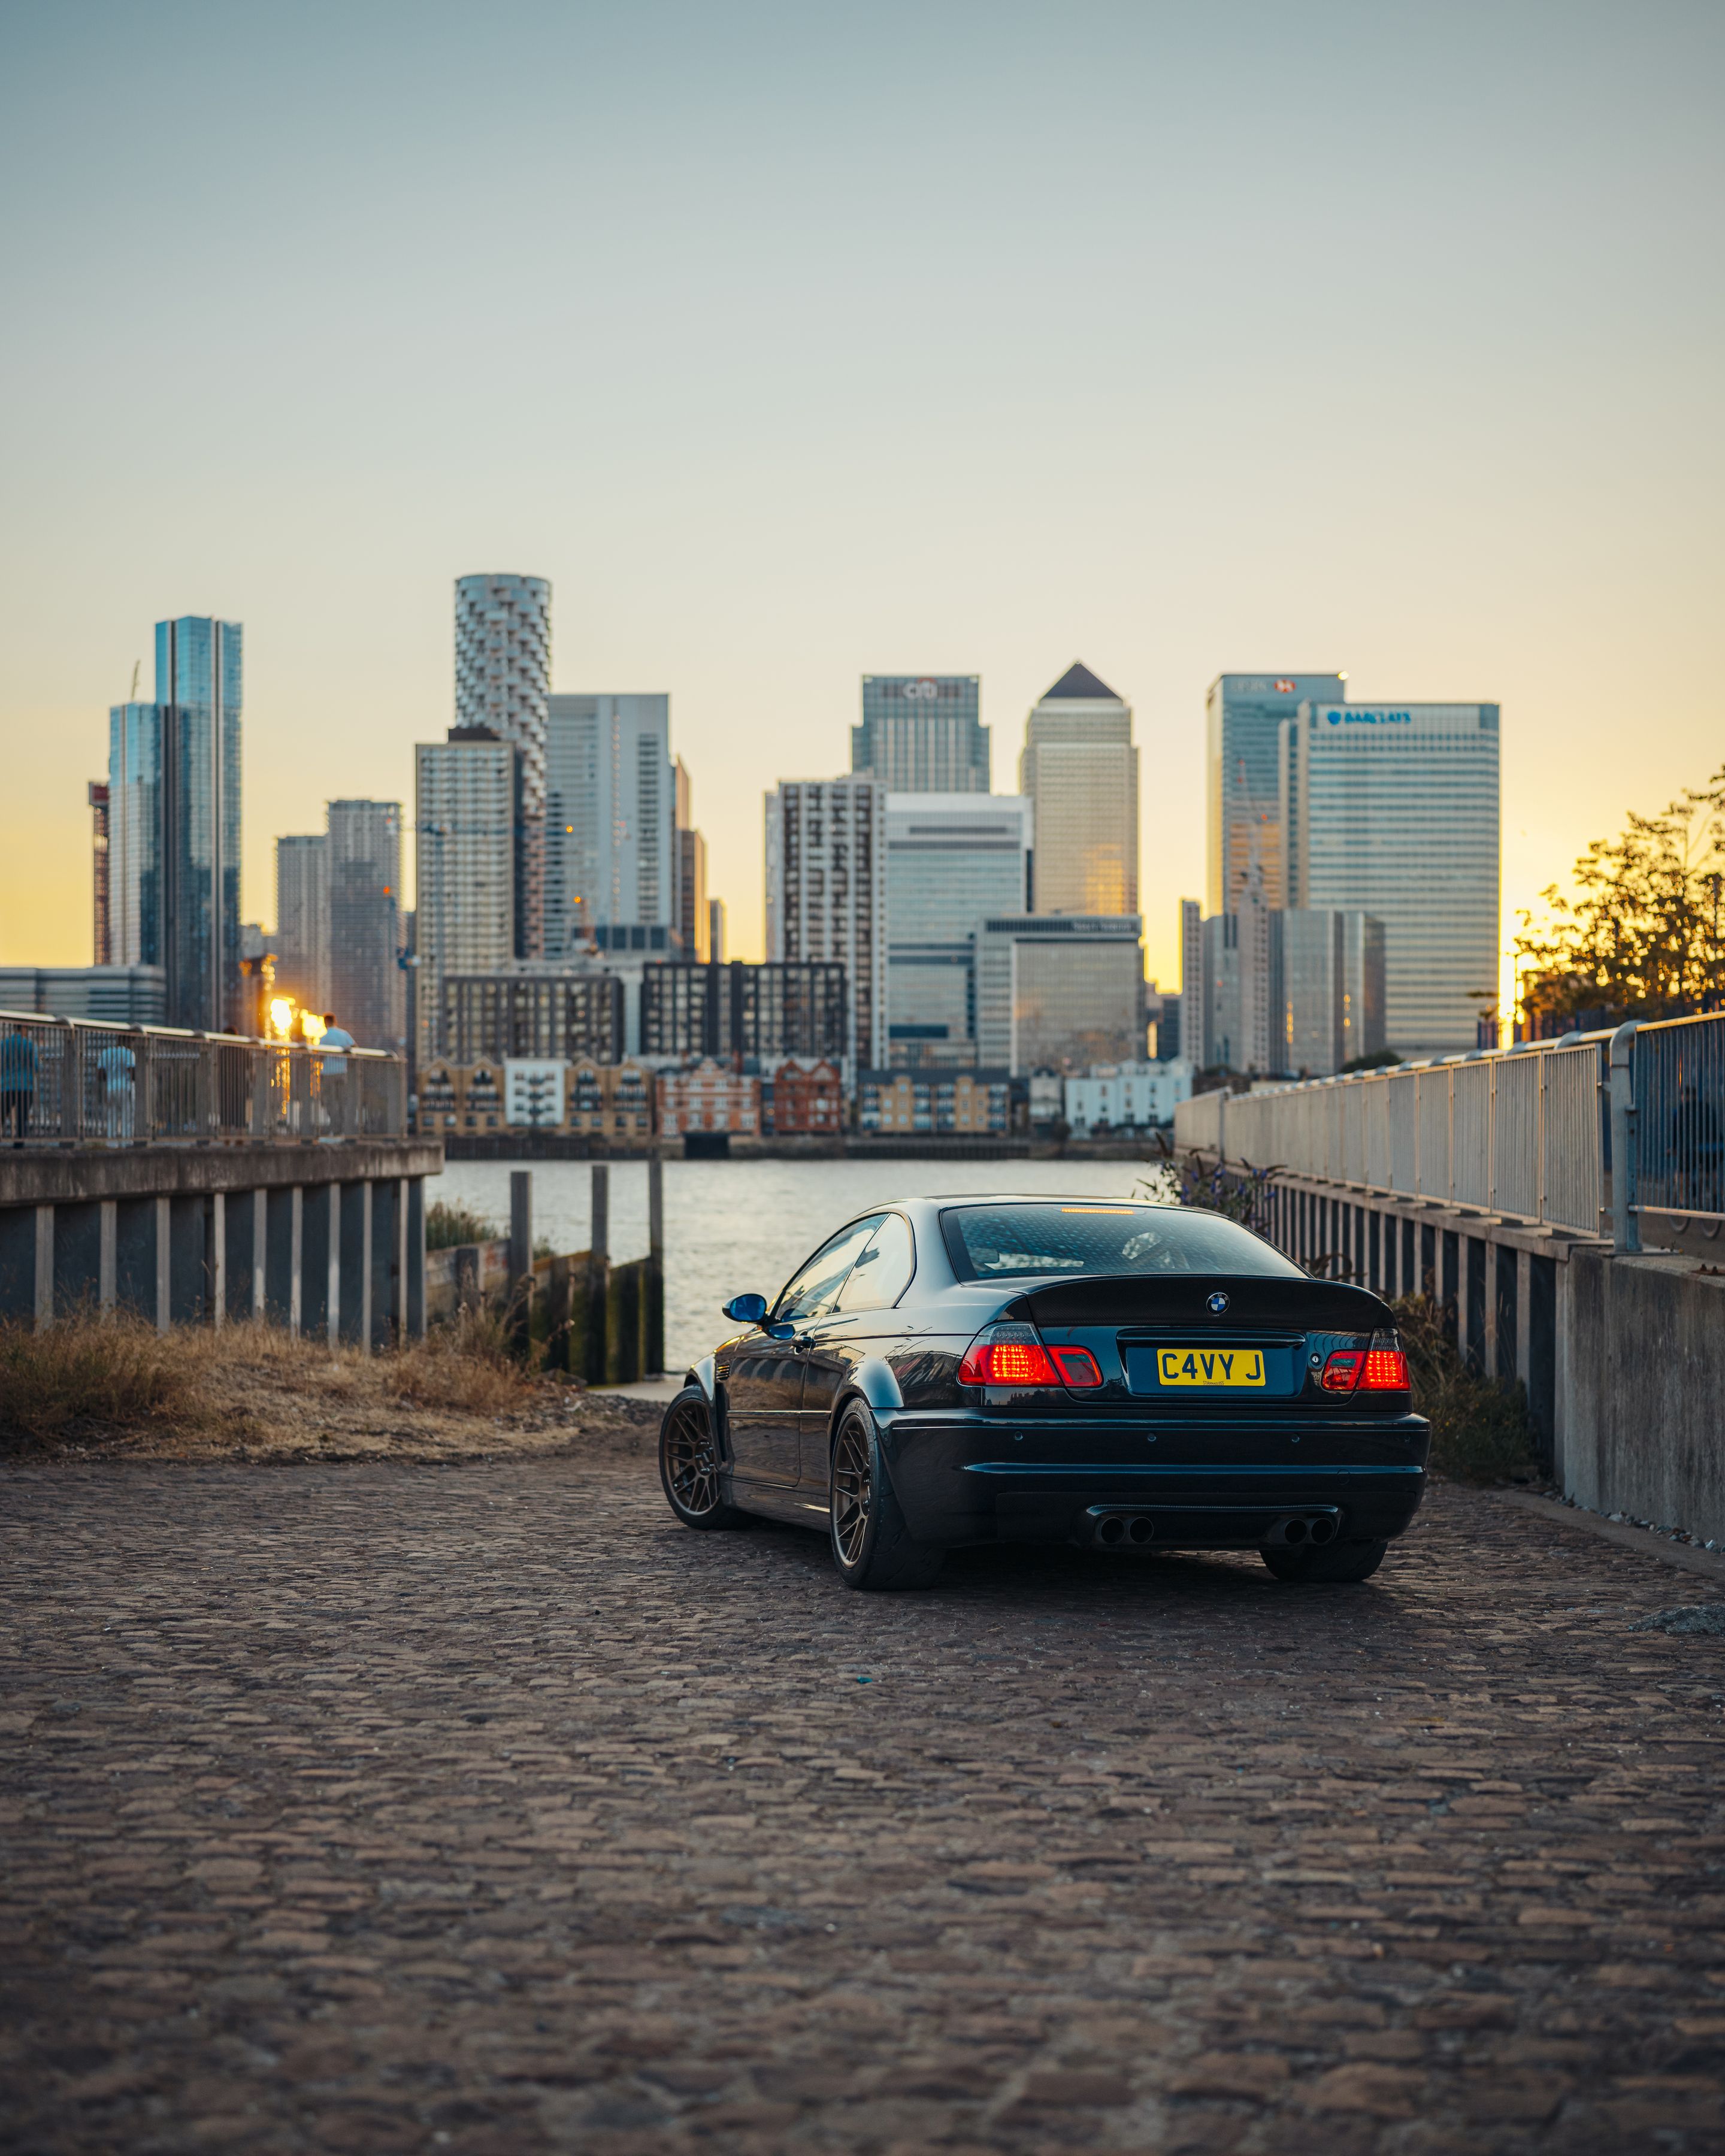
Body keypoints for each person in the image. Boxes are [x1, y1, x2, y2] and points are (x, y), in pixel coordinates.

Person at [317, 1013, 355, 1136]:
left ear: (325, 1023)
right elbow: (355, 1047)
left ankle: (335, 1125)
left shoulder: (325, 1037)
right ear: (335, 1021)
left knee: (329, 1101)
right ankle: (344, 1127)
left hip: (329, 1073)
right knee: (343, 1100)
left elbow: (320, 1056)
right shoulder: (344, 1034)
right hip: (343, 1072)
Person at [95, 1036, 137, 1140]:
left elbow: (100, 1074)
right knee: (127, 1117)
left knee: (111, 1117)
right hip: (125, 1088)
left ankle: (111, 1143)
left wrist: (110, 1077)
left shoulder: (106, 1053)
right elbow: (132, 1073)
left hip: (110, 1088)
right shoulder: (129, 1053)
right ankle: (126, 1142)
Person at [1, 1027, 37, 1144]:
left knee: (1, 1114)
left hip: (6, 1085)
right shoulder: (30, 1045)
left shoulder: (3, 1044)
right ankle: (19, 1143)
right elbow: (36, 1066)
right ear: (23, 1030)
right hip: (26, 1086)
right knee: (22, 1117)